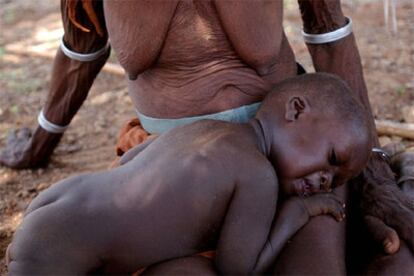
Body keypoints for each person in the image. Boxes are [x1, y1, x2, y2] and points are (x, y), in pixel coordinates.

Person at [1, 0, 413, 274]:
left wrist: (372, 173)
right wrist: (43, 136)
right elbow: (83, 42)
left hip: (289, 158)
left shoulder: (311, 165)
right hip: (174, 171)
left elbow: (327, 29)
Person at [7, 74, 373, 275]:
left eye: (335, 180)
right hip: (65, 251)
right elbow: (238, 269)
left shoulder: (205, 130)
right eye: (331, 158)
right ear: (295, 111)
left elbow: (135, 155)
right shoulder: (257, 175)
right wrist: (297, 214)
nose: (326, 180)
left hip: (56, 208)